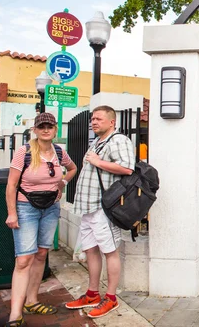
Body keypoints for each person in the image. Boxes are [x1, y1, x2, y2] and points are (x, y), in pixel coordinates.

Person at [4, 113, 77, 327]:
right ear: (35, 130)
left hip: (51, 208)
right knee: (23, 259)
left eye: (50, 126)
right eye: (41, 126)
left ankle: (32, 301)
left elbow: (72, 168)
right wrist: (12, 213)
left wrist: (62, 183)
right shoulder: (23, 153)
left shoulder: (59, 152)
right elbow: (11, 185)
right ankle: (15, 314)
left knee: (41, 254)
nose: (46, 130)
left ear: (55, 130)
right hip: (26, 208)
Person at [66, 106, 135, 319]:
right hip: (87, 207)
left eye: (99, 119)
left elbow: (127, 168)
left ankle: (111, 298)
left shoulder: (119, 140)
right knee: (90, 250)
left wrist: (98, 162)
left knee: (109, 251)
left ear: (112, 121)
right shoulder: (97, 142)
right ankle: (92, 294)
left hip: (103, 207)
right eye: (93, 119)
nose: (94, 122)